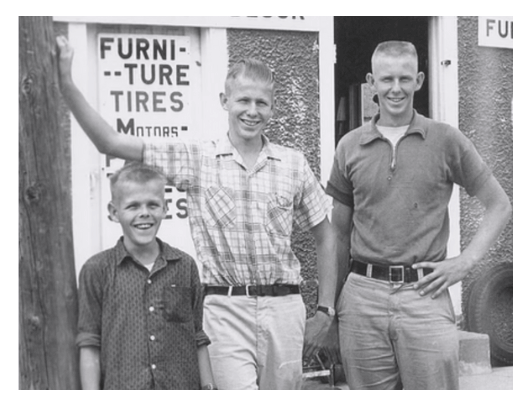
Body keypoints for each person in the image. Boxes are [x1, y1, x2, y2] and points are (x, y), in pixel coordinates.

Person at [56, 36, 337, 390]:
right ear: (225, 101)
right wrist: (66, 82)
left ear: (273, 107)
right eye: (243, 101)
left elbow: (326, 235)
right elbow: (111, 143)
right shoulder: (198, 159)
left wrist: (325, 311)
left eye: (261, 103)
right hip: (224, 307)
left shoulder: (293, 163)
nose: (252, 110)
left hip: (284, 308)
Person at [326, 41, 512, 390]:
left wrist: (464, 263)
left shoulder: (446, 140)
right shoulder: (349, 146)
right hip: (362, 295)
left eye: (404, 78)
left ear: (420, 80)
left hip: (423, 295)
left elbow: (500, 205)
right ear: (371, 81)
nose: (395, 88)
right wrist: (334, 308)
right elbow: (338, 233)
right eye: (386, 79)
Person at [76, 162, 215, 389]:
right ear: (114, 212)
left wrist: (210, 390)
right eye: (133, 206)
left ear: (165, 208)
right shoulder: (97, 270)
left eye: (153, 205)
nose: (144, 213)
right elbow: (90, 343)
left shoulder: (185, 266)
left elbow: (197, 336)